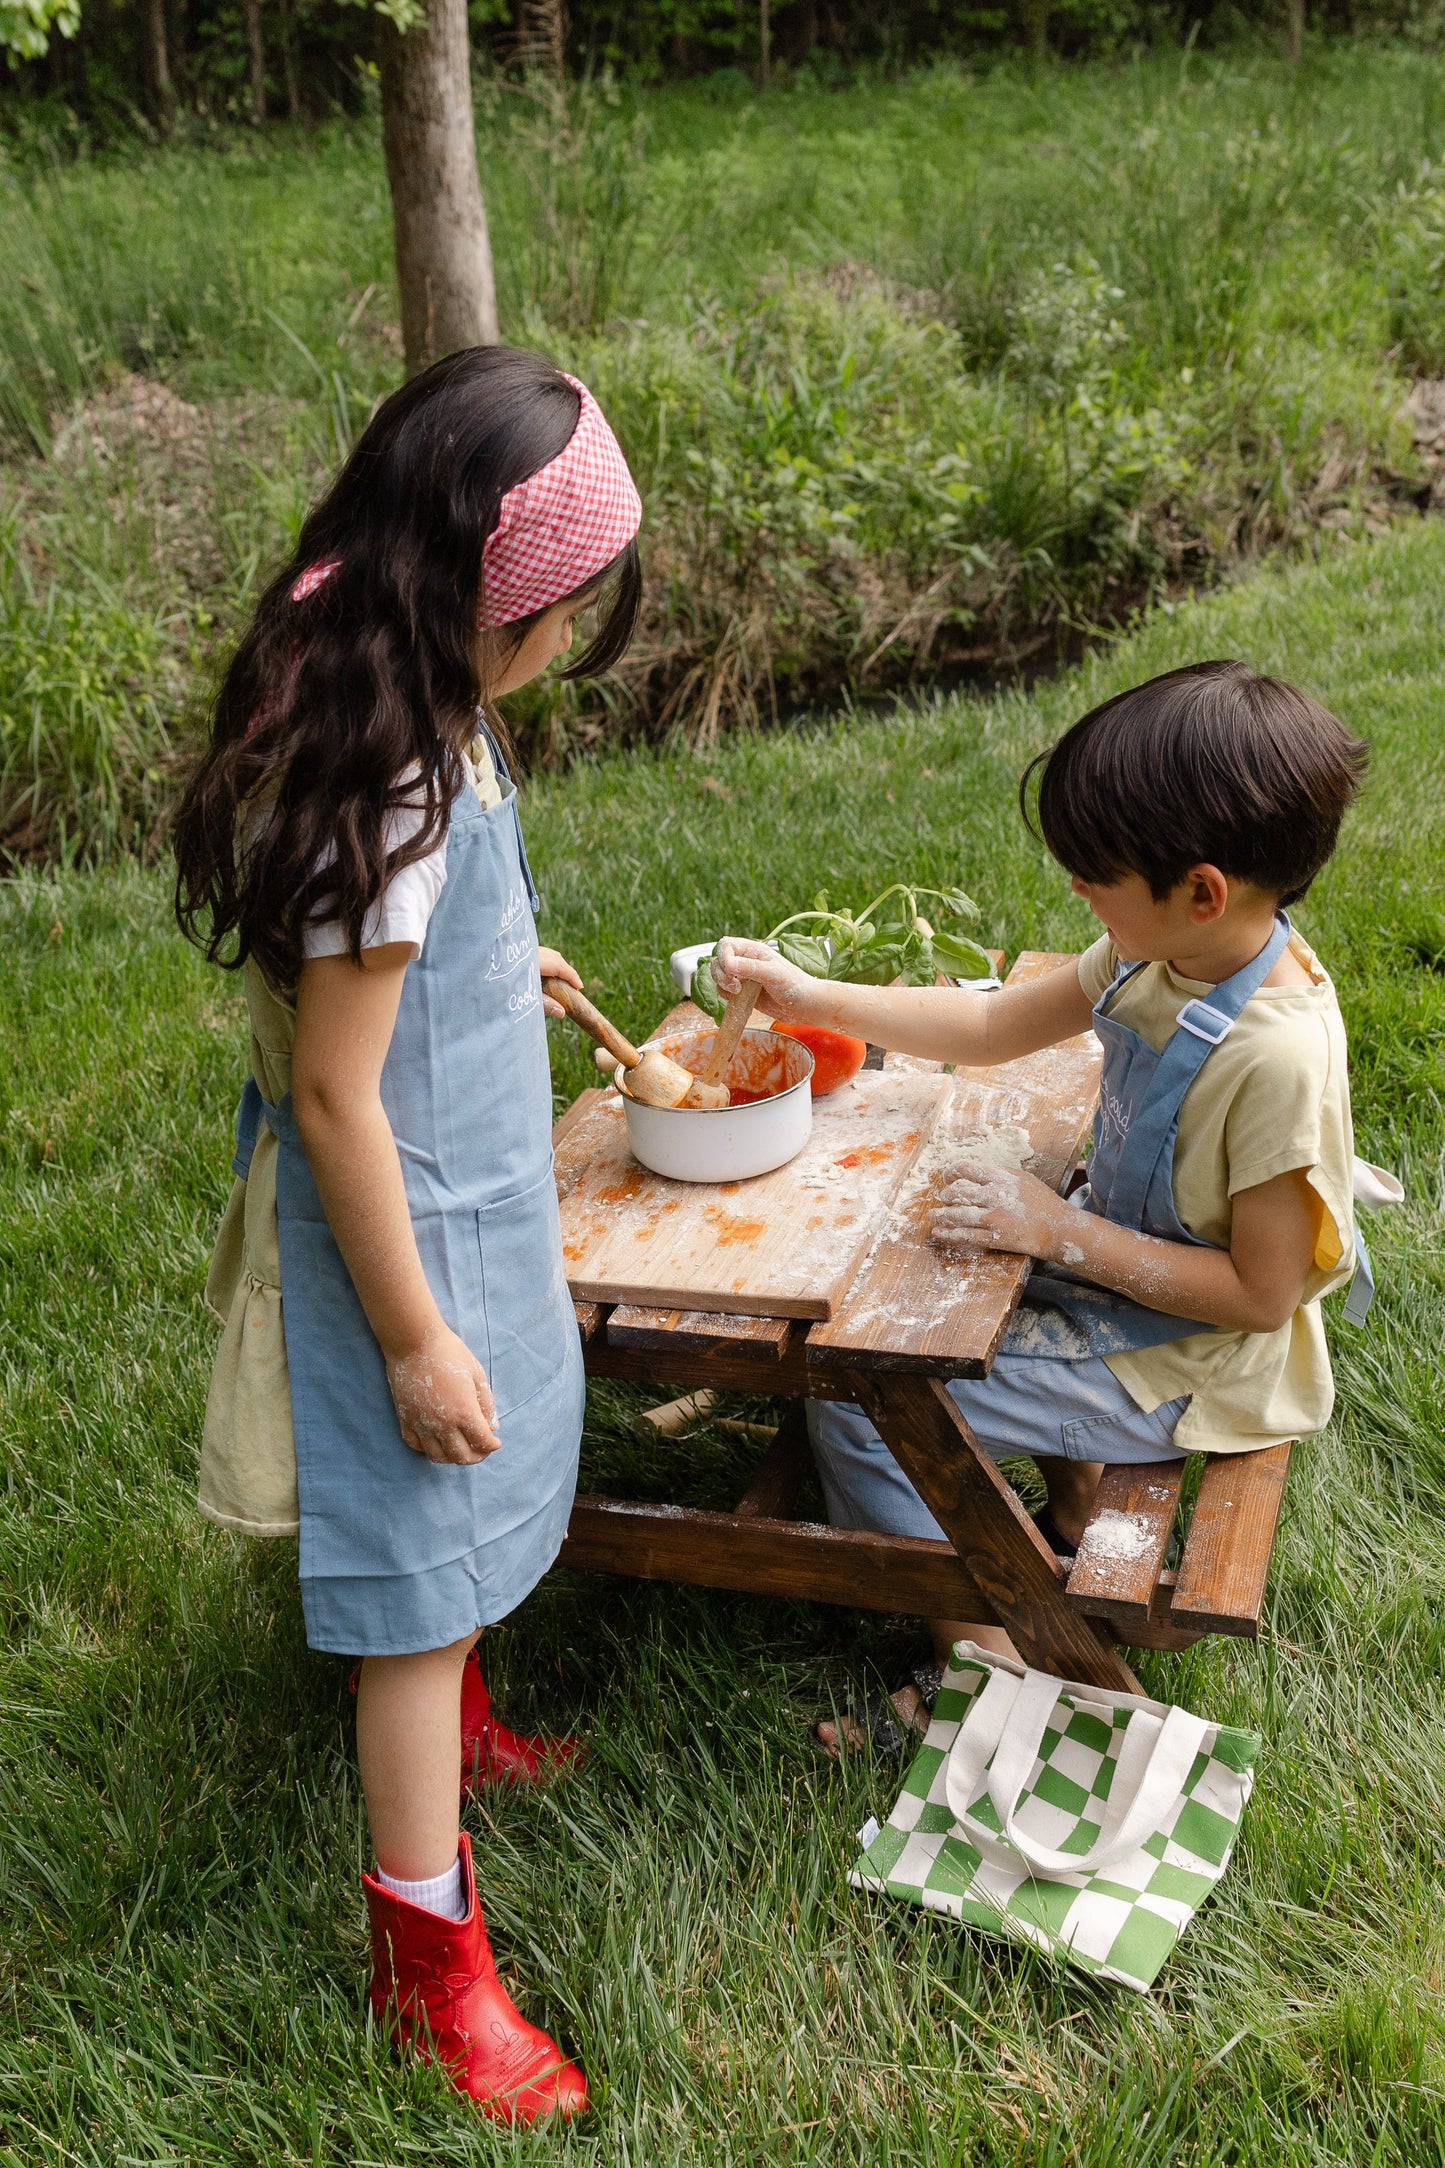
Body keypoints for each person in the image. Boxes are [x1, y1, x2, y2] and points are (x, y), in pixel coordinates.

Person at [173, 347, 643, 2121]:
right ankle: (427, 1965)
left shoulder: (408, 691)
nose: (570, 642)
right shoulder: (392, 781)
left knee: (472, 1518)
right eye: (563, 614)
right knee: (418, 1597)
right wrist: (415, 1338)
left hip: (471, 1191)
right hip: (405, 1232)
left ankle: (461, 1726)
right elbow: (334, 1094)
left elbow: (390, 951)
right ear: (480, 600)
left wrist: (500, 959)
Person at [715, 661, 1372, 1756]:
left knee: (866, 1401)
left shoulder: (1273, 1061)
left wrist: (1053, 1228)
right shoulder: (1160, 954)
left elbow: (1260, 1297)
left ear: (1201, 890)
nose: (1074, 886)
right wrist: (811, 994)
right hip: (1128, 1291)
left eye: (1094, 871)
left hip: (1194, 1360)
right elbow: (990, 1028)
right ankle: (1070, 1513)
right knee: (936, 1276)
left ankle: (986, 1668)